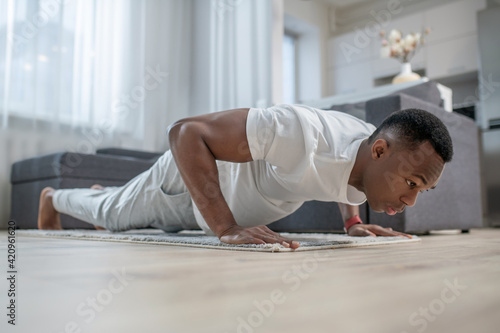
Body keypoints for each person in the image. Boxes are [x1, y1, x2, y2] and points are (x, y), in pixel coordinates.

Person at [37, 104, 453, 249]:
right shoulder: (299, 132)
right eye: (412, 184)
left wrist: (353, 223)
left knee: (124, 211)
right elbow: (185, 133)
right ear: (379, 150)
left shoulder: (369, 150)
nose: (411, 201)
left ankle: (110, 196)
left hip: (215, 212)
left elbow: (347, 174)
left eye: (425, 190)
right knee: (113, 216)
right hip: (185, 188)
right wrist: (226, 227)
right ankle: (54, 198)